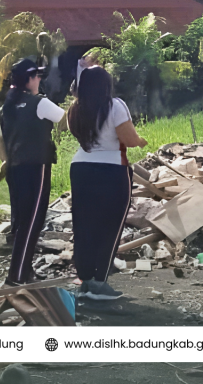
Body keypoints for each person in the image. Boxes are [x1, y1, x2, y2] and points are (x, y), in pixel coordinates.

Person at [68, 60, 147, 300]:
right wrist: (140, 140)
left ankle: (85, 281)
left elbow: (79, 134)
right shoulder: (115, 106)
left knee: (84, 226)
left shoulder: (75, 109)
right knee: (109, 227)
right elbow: (128, 138)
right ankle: (100, 282)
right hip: (112, 169)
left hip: (81, 167)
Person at [0, 58, 66, 286]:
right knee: (32, 221)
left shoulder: (6, 107)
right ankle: (16, 277)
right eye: (37, 76)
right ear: (29, 79)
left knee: (21, 221)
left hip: (14, 169)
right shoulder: (40, 103)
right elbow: (66, 120)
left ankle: (24, 272)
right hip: (36, 167)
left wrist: (8, 160)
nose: (39, 79)